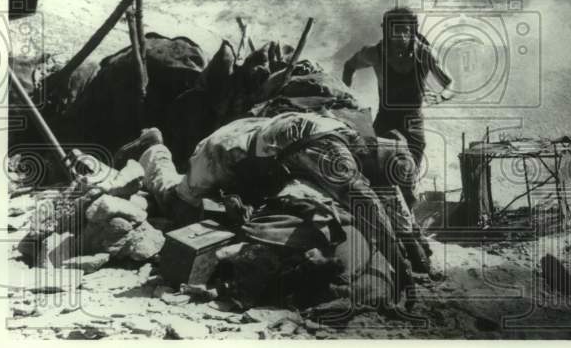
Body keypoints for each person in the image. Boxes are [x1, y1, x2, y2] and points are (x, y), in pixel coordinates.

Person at [114, 110, 430, 293]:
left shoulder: (352, 135)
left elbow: (385, 199)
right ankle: (153, 148)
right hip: (226, 151)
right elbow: (369, 206)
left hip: (259, 145)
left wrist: (411, 245)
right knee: (176, 202)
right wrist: (402, 269)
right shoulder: (337, 159)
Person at [342, 7, 453, 196]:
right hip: (386, 118)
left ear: (413, 31)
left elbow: (450, 84)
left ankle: (408, 202)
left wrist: (442, 95)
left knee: (408, 176)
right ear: (387, 31)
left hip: (413, 121)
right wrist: (347, 94)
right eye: (396, 31)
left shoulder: (425, 54)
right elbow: (349, 66)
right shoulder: (375, 53)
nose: (401, 36)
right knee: (376, 170)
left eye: (405, 31)